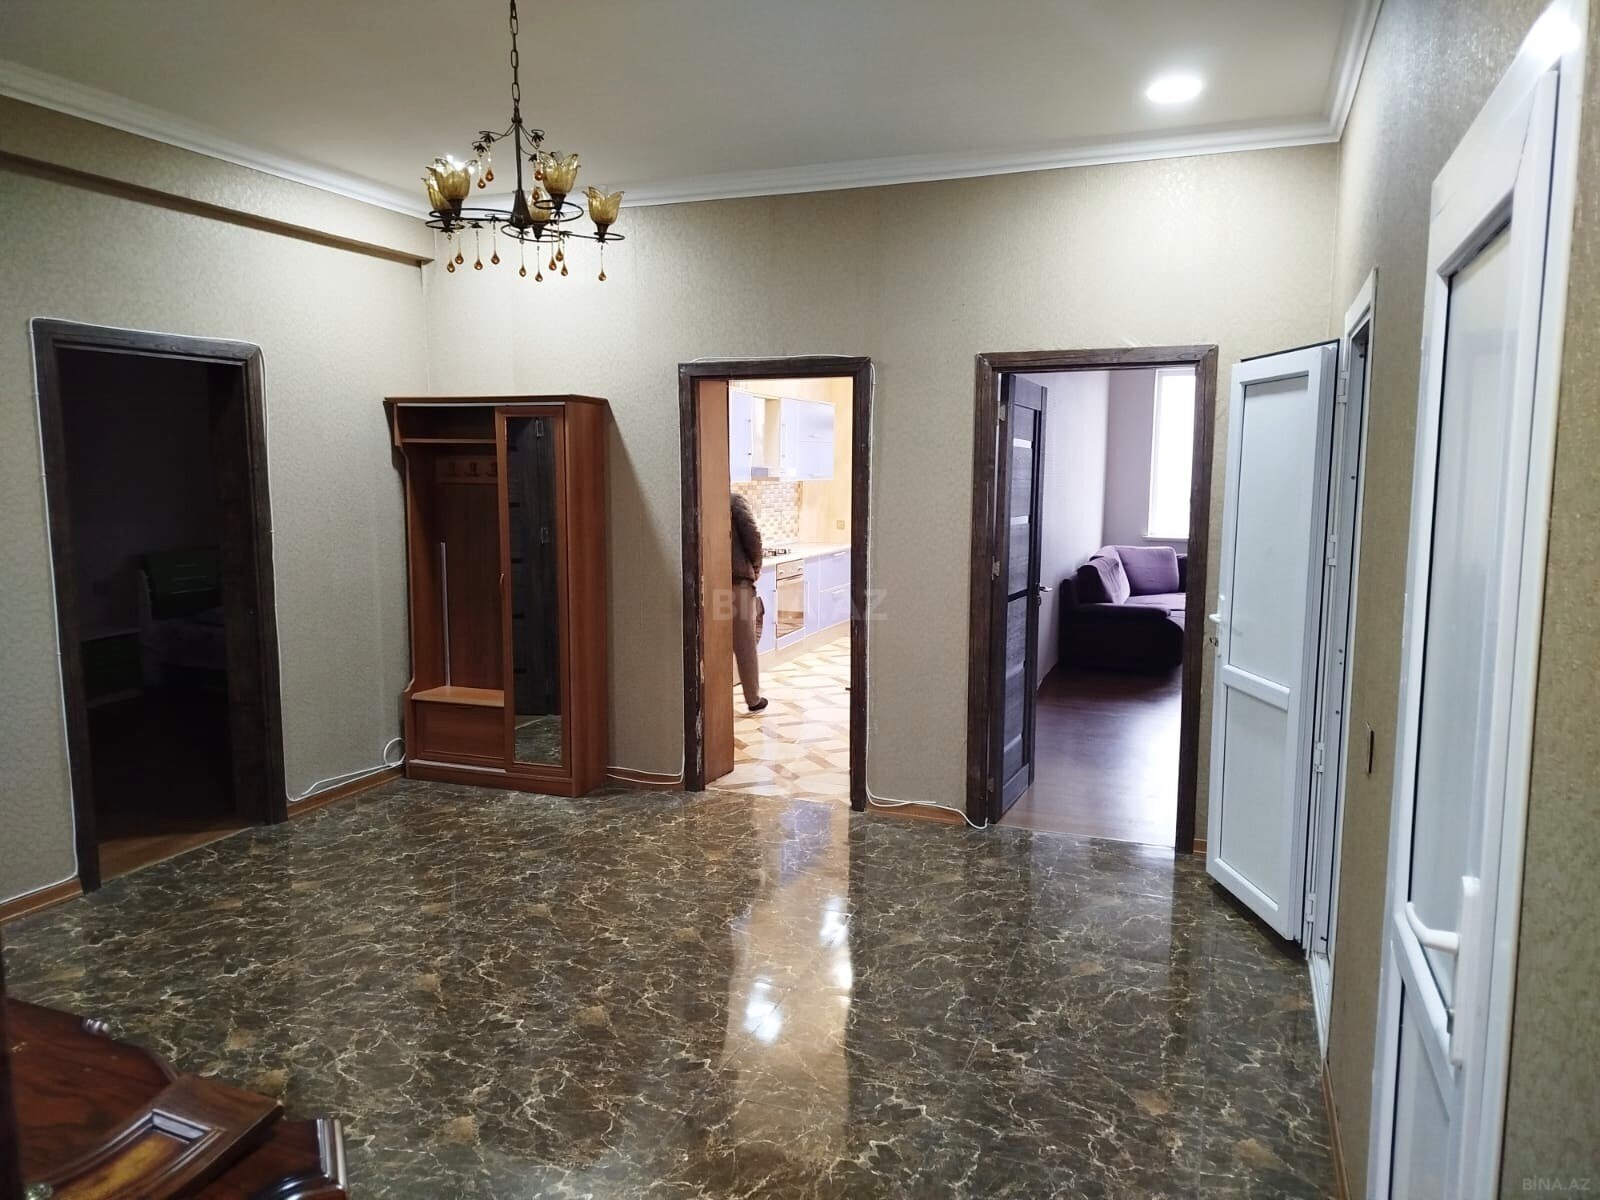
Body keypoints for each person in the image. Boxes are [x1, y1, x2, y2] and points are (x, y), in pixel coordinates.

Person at [730, 493, 768, 712]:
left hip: (714, 582)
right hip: (737, 583)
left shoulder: (704, 499)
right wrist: (756, 565)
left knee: (717, 643)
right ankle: (753, 699)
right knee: (745, 643)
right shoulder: (734, 500)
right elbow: (753, 535)